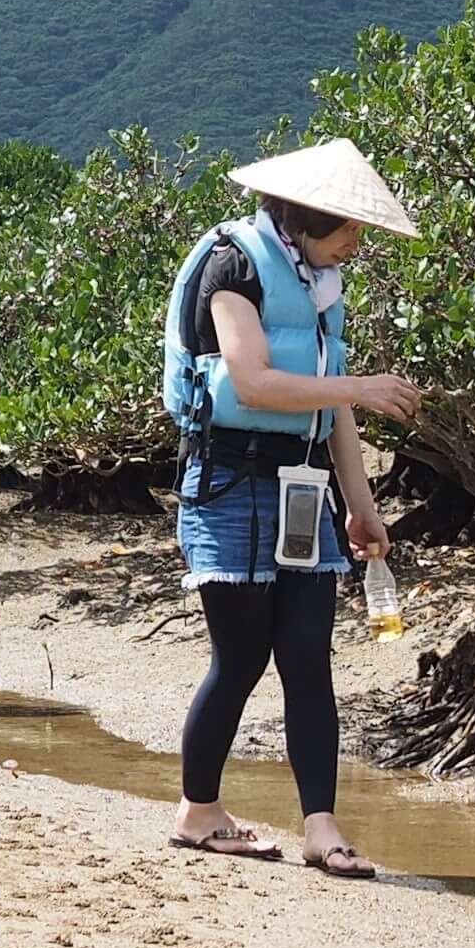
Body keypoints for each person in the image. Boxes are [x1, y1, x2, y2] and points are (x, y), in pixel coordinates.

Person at [159, 138, 423, 876]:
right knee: (240, 658)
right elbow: (251, 382)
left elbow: (330, 411)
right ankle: (199, 811)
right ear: (305, 215)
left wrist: (362, 505)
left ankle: (322, 827)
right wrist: (360, 386)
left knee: (308, 659)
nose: (356, 241)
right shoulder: (232, 263)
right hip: (230, 486)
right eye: (347, 226)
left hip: (303, 490)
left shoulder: (321, 284)